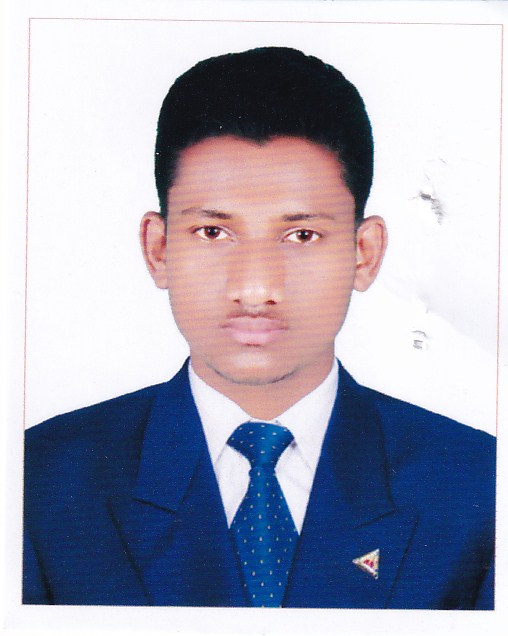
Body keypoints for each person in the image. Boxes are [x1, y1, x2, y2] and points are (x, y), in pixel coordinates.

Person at [23, 46, 495, 609]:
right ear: (158, 248)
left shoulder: (480, 488)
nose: (254, 288)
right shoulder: (37, 484)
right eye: (213, 233)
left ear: (365, 253)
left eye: (302, 236)